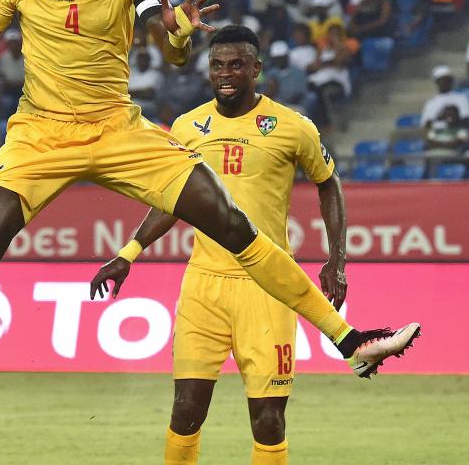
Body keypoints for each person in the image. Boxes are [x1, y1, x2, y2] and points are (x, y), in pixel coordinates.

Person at [0, 0, 420, 453]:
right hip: (40, 132)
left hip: (117, 128)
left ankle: (352, 343)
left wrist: (179, 30)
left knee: (233, 222)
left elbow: (172, 43)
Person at [89, 25, 348, 465]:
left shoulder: (292, 126)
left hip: (268, 288)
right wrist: (127, 253)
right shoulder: (188, 127)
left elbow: (329, 184)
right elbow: (172, 199)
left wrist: (335, 260)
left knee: (268, 418)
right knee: (186, 411)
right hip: (203, 287)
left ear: (256, 69)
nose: (225, 73)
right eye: (217, 64)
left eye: (236, 64)